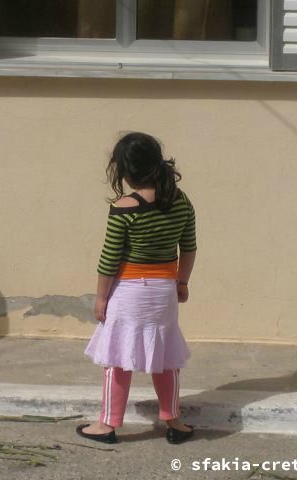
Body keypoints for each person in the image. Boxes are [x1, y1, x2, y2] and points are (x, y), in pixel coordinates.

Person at [76, 132, 197, 444]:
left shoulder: (124, 207)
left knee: (117, 358)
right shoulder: (181, 200)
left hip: (129, 291)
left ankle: (107, 424)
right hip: (163, 291)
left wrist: (101, 298)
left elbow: (109, 259)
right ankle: (174, 421)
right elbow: (189, 247)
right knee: (166, 357)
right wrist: (181, 282)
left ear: (126, 171)